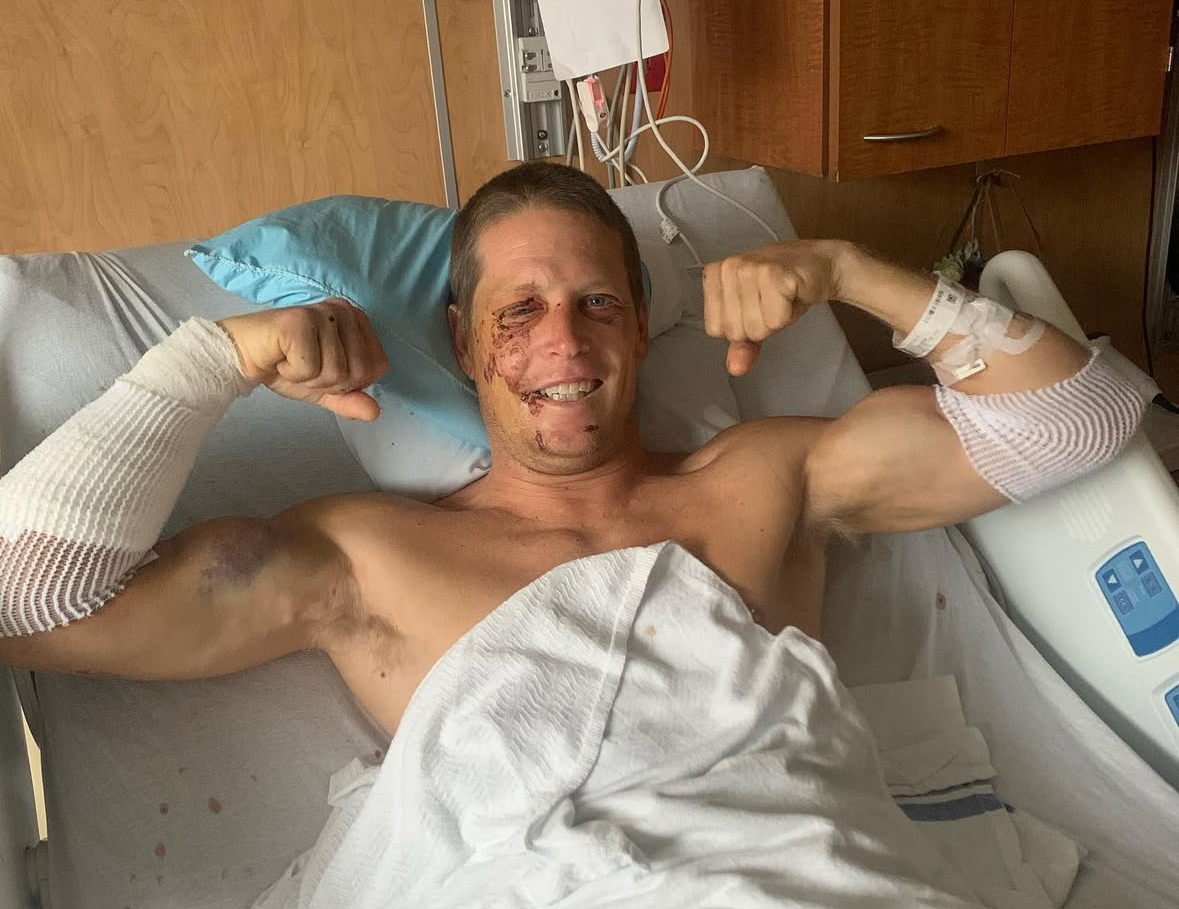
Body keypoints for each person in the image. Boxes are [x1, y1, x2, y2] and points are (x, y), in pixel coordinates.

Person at [0, 164, 1150, 735]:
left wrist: (849, 269)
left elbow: (1078, 420)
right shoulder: (362, 559)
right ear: (460, 343)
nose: (563, 340)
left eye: (599, 302)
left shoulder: (768, 478)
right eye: (518, 311)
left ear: (645, 326)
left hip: (801, 906)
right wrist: (211, 360)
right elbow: (24, 604)